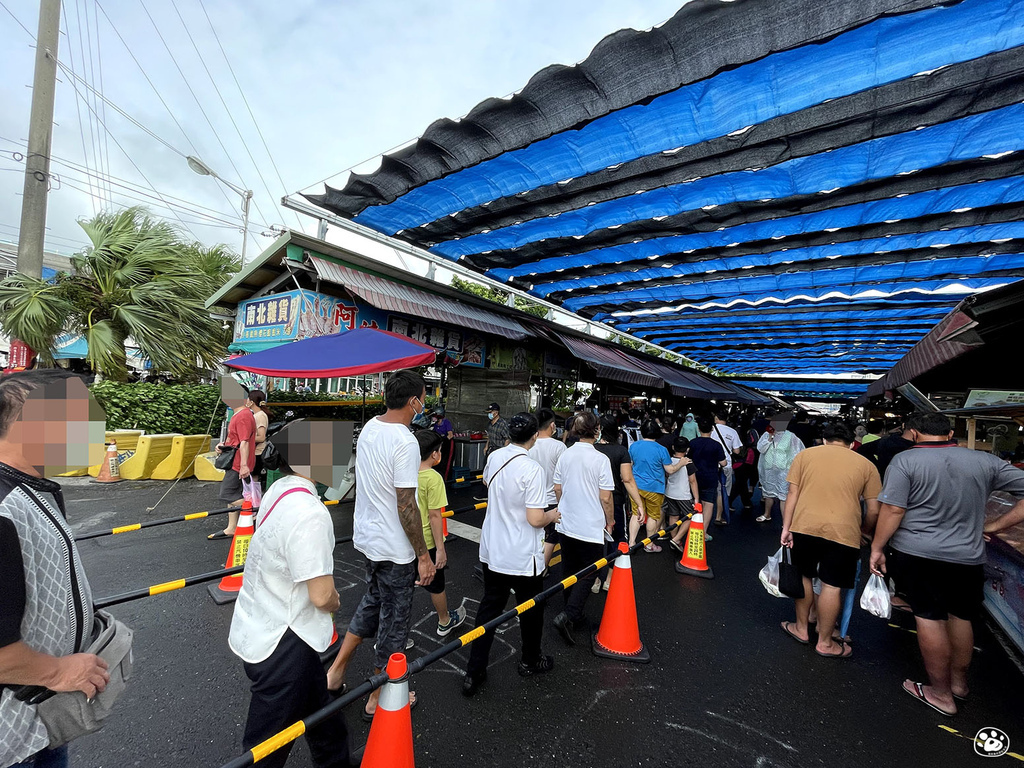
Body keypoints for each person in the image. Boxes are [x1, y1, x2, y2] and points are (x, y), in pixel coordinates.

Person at [870, 412, 1024, 716]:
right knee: (961, 617)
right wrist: (995, 525)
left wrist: (876, 547)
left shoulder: (905, 461)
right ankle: (958, 685)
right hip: (967, 556)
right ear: (950, 432)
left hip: (917, 554)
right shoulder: (984, 461)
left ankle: (940, 694)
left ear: (913, 434)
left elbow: (893, 511)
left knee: (929, 618)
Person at [228, 424, 357, 768]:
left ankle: (336, 761)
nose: (342, 460)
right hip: (285, 645)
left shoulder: (280, 489)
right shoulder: (310, 513)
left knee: (323, 718)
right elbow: (321, 595)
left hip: (263, 623)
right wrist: (335, 601)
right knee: (266, 747)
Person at [0, 370, 110, 768]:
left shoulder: (32, 489)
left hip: (37, 721)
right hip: (9, 735)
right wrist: (56, 671)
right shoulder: (4, 508)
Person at [326, 370, 435, 719]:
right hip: (395, 549)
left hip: (369, 540)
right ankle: (378, 696)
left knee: (372, 602)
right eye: (423, 396)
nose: (425, 403)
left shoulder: (371, 427)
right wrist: (423, 555)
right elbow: (406, 504)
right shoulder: (405, 442)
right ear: (413, 401)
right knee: (395, 624)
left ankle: (337, 670)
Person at [462, 413, 561, 696]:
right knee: (531, 610)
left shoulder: (495, 457)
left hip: (493, 549)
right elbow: (534, 518)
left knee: (489, 609)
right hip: (522, 554)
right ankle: (530, 660)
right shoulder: (532, 469)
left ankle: (474, 670)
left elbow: (487, 486)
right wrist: (551, 515)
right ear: (533, 437)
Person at [778, 422, 881, 659]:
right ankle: (825, 642)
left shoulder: (805, 456)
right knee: (831, 585)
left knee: (804, 576)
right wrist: (864, 530)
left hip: (805, 526)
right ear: (852, 443)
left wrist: (787, 527)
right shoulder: (866, 465)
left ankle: (801, 628)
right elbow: (874, 509)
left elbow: (792, 493)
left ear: (824, 440)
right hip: (844, 532)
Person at [550, 412, 615, 645]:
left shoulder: (566, 455)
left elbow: (557, 487)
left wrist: (563, 506)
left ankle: (572, 613)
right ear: (597, 431)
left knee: (569, 569)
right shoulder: (600, 460)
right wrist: (610, 520)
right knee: (590, 571)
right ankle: (570, 614)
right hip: (590, 525)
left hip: (567, 522)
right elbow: (606, 497)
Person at [412, 430, 467, 637]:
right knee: (436, 584)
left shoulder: (403, 473)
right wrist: (441, 550)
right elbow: (435, 516)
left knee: (403, 587)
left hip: (406, 541)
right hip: (428, 542)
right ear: (435, 454)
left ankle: (396, 635)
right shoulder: (433, 478)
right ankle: (444, 621)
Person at [595, 417, 644, 591]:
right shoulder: (621, 451)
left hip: (593, 501)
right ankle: (608, 579)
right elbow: (627, 479)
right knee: (617, 539)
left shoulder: (592, 449)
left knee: (594, 540)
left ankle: (594, 580)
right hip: (615, 501)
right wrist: (639, 503)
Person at [627, 420, 688, 552]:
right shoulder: (661, 449)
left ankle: (631, 542)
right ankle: (649, 544)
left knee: (636, 514)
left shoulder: (634, 446)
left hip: (636, 486)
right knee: (653, 516)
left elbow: (630, 465)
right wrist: (681, 463)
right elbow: (670, 470)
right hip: (655, 488)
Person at [209, 390, 259, 540]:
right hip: (235, 460)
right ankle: (231, 527)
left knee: (228, 495)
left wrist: (244, 465)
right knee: (233, 495)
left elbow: (244, 442)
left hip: (238, 463)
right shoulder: (240, 414)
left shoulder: (243, 415)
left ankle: (261, 511)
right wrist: (223, 445)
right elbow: (237, 440)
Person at [528, 408, 566, 570]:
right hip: (551, 500)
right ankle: (541, 570)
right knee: (551, 537)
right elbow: (563, 478)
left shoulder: (529, 444)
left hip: (530, 499)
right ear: (552, 425)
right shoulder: (559, 447)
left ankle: (529, 568)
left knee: (531, 535)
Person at [755, 419, 805, 523]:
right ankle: (767, 514)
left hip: (784, 471)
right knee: (768, 493)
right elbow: (760, 449)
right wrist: (769, 438)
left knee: (783, 495)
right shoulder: (766, 434)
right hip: (768, 469)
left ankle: (785, 521)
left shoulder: (791, 436)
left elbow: (798, 452)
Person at [687, 417, 728, 527]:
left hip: (695, 477)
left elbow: (688, 459)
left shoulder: (693, 443)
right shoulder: (716, 445)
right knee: (708, 503)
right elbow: (723, 463)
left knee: (694, 502)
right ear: (712, 429)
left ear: (699, 429)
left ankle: (692, 527)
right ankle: (703, 531)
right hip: (711, 477)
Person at [665, 437, 699, 554]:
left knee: (673, 516)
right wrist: (696, 498)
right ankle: (677, 539)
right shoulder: (688, 462)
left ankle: (675, 540)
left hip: (670, 492)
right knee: (689, 517)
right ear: (687, 449)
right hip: (683, 494)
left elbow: (667, 475)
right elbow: (693, 481)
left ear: (673, 447)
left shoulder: (669, 461)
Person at [710, 412, 743, 524]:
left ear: (716, 417)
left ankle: (703, 517)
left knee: (708, 491)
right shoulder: (732, 431)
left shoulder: (710, 429)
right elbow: (737, 451)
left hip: (711, 464)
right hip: (726, 464)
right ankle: (719, 517)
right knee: (722, 491)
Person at [249, 390, 269, 486]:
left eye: (248, 399)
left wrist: (245, 439)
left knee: (254, 478)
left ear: (252, 402)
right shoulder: (257, 415)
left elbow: (261, 437)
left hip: (258, 452)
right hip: (254, 451)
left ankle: (254, 498)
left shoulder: (260, 416)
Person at [430, 407, 455, 481]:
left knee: (447, 461)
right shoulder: (435, 425)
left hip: (448, 444)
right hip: (440, 444)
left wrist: (444, 440)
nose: (433, 418)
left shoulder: (446, 422)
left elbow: (450, 435)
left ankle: (446, 479)